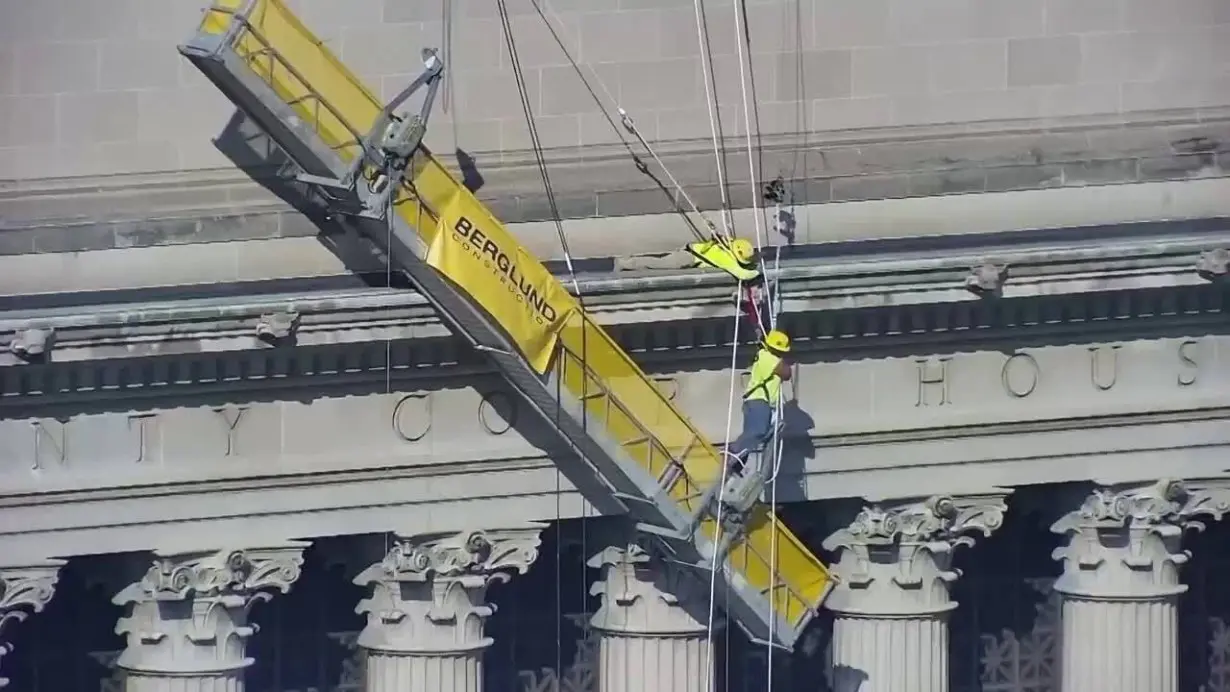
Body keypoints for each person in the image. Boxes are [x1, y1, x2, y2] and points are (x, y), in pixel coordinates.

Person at [615, 237, 768, 330]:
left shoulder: (728, 246)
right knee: (657, 264)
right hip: (688, 258)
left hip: (691, 250)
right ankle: (625, 263)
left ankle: (629, 261)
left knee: (658, 263)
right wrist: (760, 271)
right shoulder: (726, 258)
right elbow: (742, 273)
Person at [725, 329, 792, 468]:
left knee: (756, 433)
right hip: (759, 401)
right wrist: (785, 360)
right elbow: (786, 374)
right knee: (758, 431)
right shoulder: (768, 357)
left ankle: (737, 464)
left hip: (757, 402)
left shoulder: (763, 355)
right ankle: (732, 452)